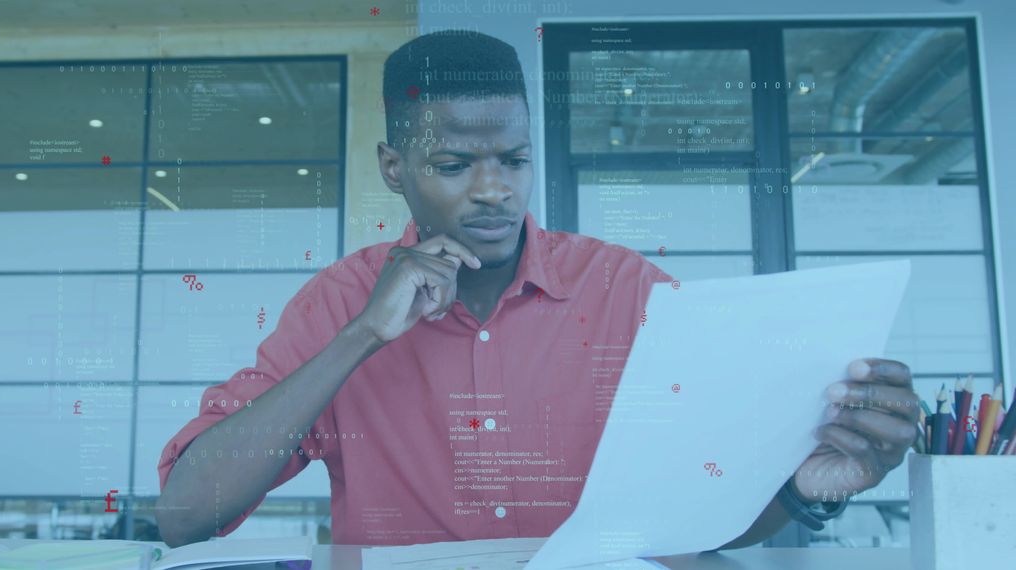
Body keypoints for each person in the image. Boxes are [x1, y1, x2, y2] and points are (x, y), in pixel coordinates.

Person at [155, 30, 919, 549]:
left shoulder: (632, 292)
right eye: (454, 167)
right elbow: (186, 514)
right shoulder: (337, 300)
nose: (494, 192)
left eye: (514, 160)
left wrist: (804, 495)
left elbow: (699, 516)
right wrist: (361, 339)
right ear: (396, 169)